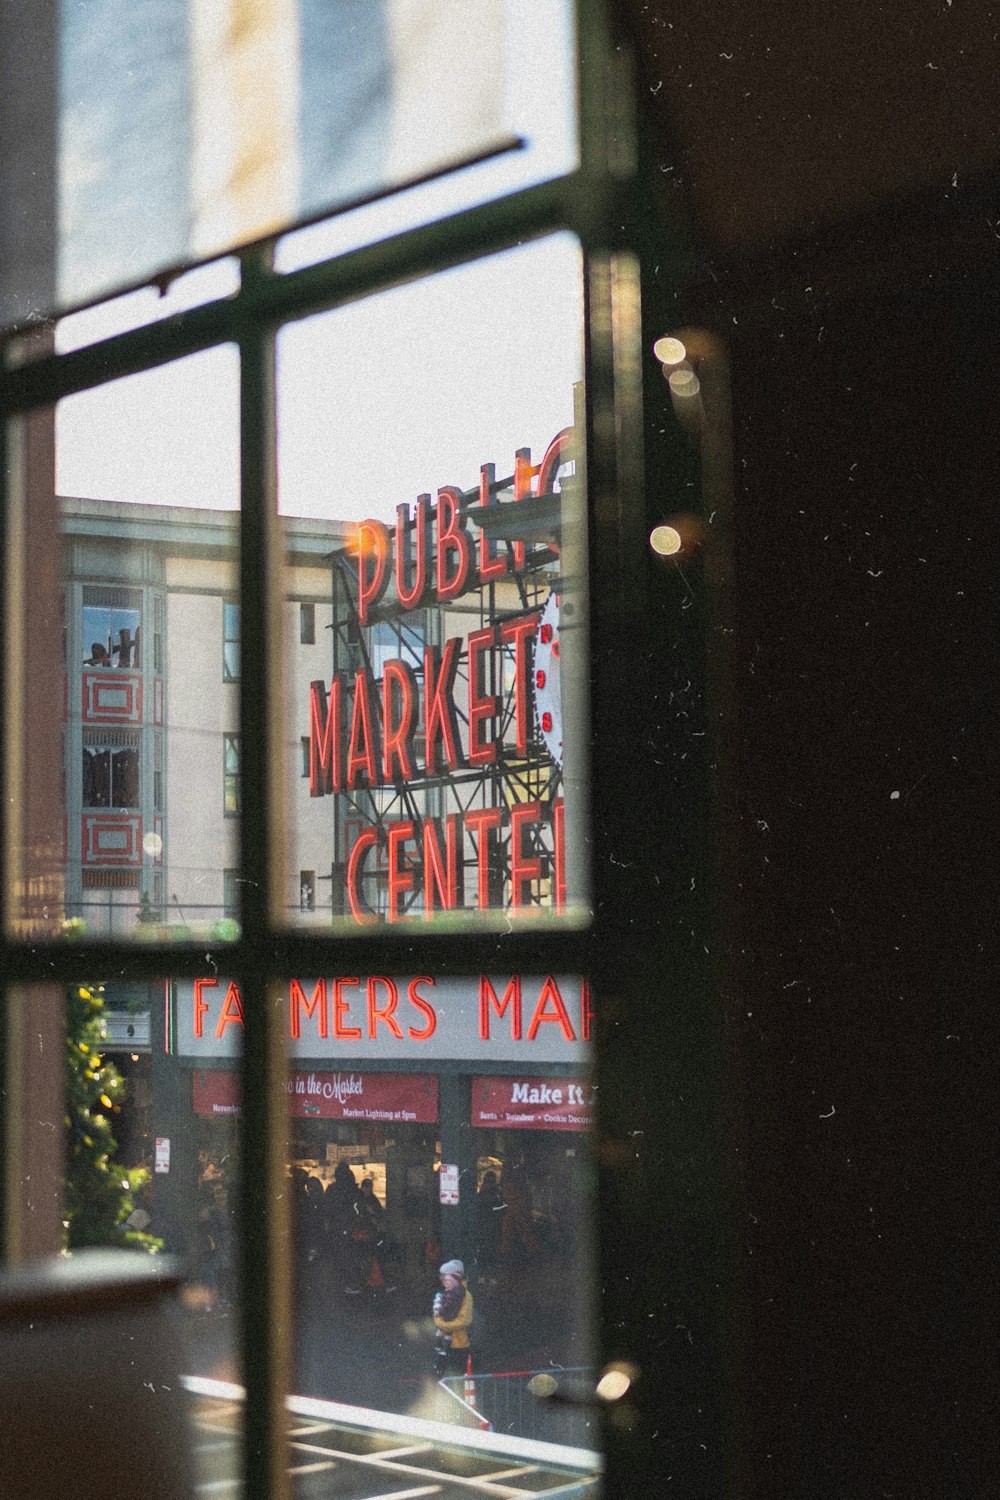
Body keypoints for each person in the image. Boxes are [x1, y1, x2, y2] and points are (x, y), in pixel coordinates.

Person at [432, 1258, 473, 1376]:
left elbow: (465, 1320)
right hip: (445, 1343)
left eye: (446, 1278)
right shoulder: (449, 1292)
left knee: (455, 1376)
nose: (444, 1281)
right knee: (443, 1375)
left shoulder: (465, 1295)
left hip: (459, 1345)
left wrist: (441, 1324)